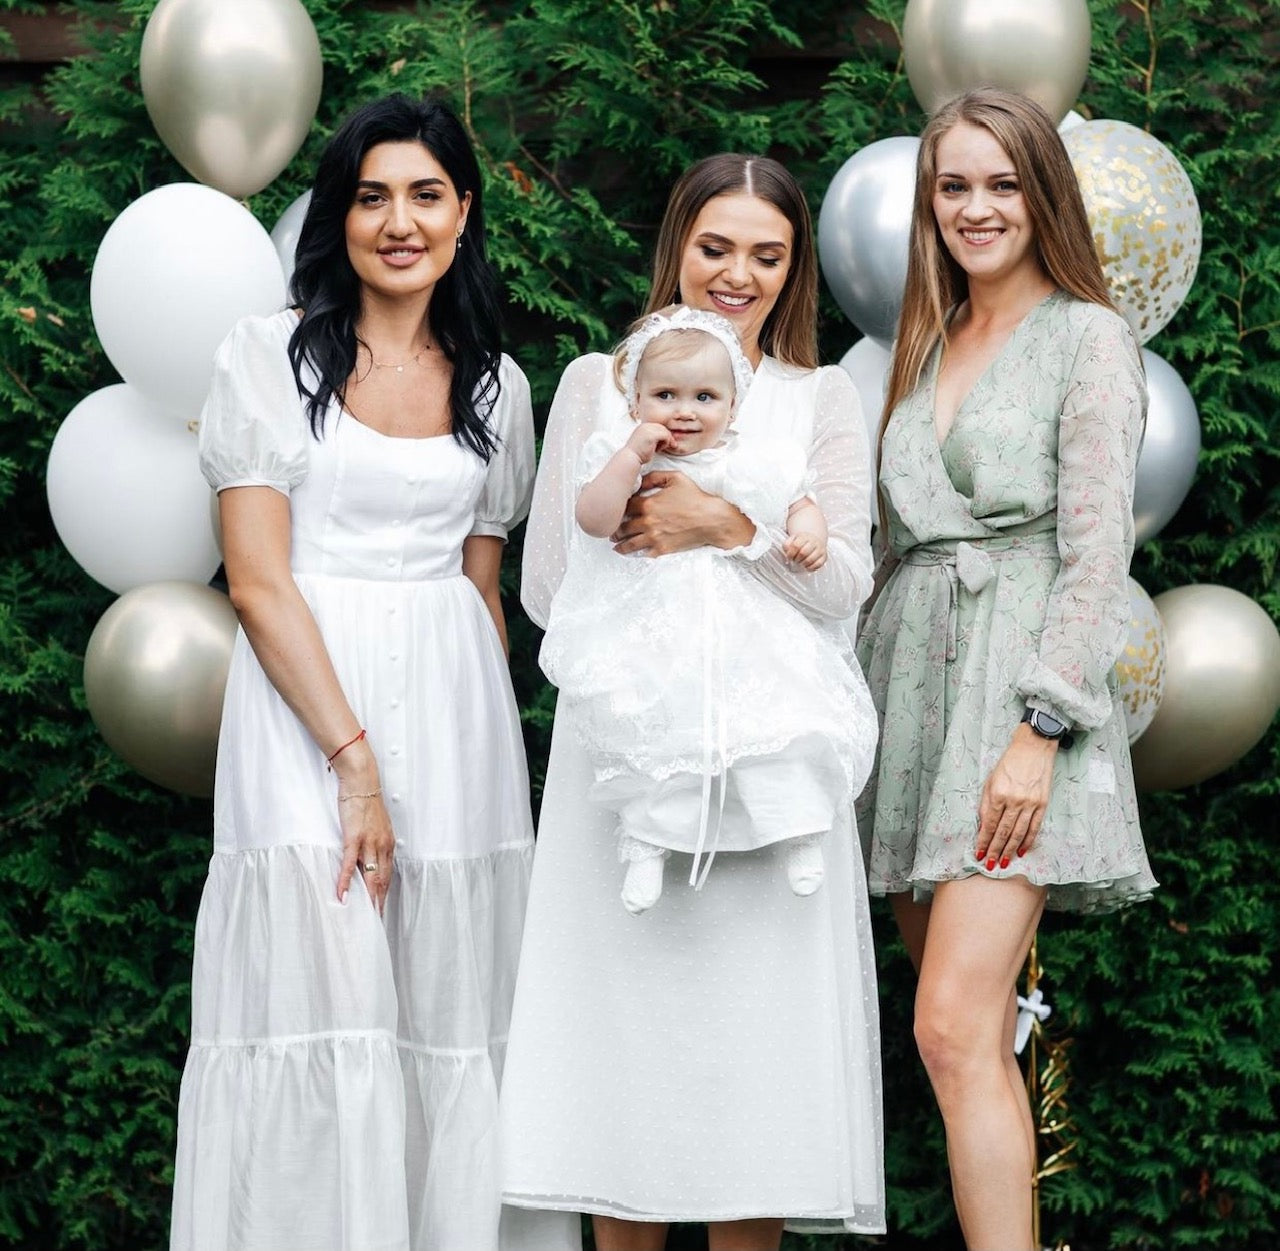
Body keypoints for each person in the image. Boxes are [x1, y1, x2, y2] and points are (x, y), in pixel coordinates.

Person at [170, 95, 577, 1251]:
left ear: (463, 213)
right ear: (338, 218)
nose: (399, 222)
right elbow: (257, 583)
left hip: (453, 723)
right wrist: (354, 764)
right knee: (323, 997)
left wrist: (479, 755)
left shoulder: (497, 388)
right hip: (306, 720)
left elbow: (481, 591)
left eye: (425, 195)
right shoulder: (266, 358)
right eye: (371, 196)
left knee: (448, 1007)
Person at [502, 154, 885, 1251]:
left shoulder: (819, 397)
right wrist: (646, 600)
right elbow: (545, 586)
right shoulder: (601, 384)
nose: (737, 275)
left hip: (768, 755)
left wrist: (728, 531)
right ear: (676, 244)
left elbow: (843, 585)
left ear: (794, 268)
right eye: (715, 247)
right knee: (620, 1062)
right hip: (627, 760)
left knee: (750, 1071)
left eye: (768, 255)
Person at [856, 88, 1158, 1251]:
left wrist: (1039, 731)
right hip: (911, 696)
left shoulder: (1086, 335)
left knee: (947, 1026)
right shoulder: (921, 342)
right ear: (927, 203)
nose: (975, 208)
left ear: (1042, 195)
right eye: (952, 186)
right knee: (961, 1040)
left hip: (1019, 698)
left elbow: (1094, 552)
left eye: (1001, 183)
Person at [539, 303, 876, 914]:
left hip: (746, 632)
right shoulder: (621, 455)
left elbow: (798, 501)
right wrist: (630, 456)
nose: (685, 412)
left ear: (733, 407)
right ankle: (646, 844)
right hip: (661, 632)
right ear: (635, 402)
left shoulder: (750, 459)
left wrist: (810, 533)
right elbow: (593, 519)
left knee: (779, 725)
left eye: (705, 397)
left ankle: (799, 832)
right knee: (659, 739)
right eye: (664, 395)